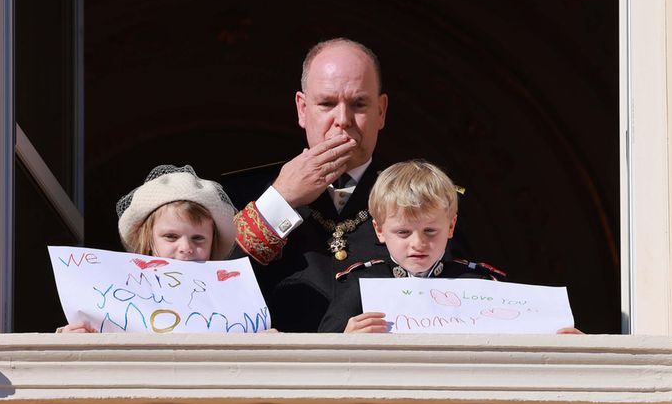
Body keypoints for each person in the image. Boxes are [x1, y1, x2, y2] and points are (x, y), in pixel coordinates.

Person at [233, 38, 391, 332]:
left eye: (359, 104)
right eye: (327, 104)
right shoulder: (244, 194)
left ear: (381, 111)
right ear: (302, 109)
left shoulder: (422, 197)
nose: (342, 120)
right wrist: (280, 200)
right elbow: (209, 287)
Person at [318, 160, 507, 333]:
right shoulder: (360, 283)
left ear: (450, 226)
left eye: (430, 231)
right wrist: (345, 339)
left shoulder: (479, 284)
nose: (418, 244)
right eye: (403, 232)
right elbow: (321, 356)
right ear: (380, 230)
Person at [58, 163, 237, 333]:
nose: (186, 248)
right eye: (171, 237)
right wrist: (70, 337)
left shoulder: (230, 300)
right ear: (148, 240)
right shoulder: (117, 295)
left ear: (213, 242)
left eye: (198, 238)